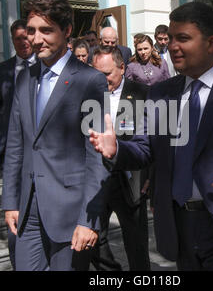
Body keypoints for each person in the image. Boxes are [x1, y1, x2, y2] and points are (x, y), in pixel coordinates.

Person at [89, 1, 213, 271]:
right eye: (171, 38)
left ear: (211, 43)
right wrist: (117, 150)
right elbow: (146, 149)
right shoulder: (162, 93)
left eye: (183, 38)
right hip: (179, 226)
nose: (172, 46)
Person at [1, 0, 109, 271]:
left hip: (71, 213)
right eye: (32, 31)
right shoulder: (25, 77)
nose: (36, 39)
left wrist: (89, 220)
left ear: (68, 31)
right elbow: (16, 144)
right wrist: (10, 201)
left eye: (46, 30)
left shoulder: (90, 80)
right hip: (28, 210)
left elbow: (97, 156)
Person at [91, 46, 150, 271]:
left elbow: (153, 140)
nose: (102, 80)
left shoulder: (143, 94)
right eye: (96, 74)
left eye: (107, 74)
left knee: (136, 247)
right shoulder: (88, 94)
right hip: (97, 180)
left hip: (131, 180)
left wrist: (150, 177)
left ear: (122, 68)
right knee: (94, 239)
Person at [0, 19, 35, 270]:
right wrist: (0, 148)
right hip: (11, 153)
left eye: (26, 37)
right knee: (13, 206)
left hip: (39, 149)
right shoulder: (2, 70)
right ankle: (18, 261)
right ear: (13, 40)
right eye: (18, 38)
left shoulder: (43, 67)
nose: (24, 42)